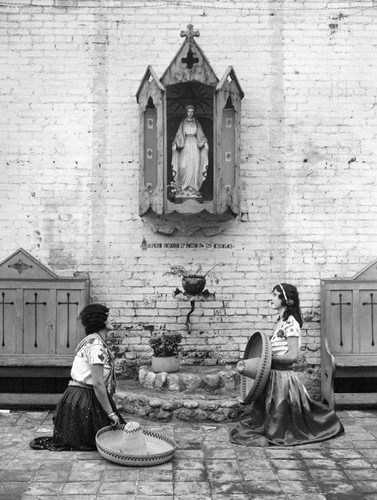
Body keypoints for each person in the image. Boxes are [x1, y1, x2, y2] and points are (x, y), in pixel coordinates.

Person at [229, 283, 344, 447]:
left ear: (286, 300)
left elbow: (292, 356)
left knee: (281, 420)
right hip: (273, 376)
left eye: (275, 295)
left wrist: (267, 360)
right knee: (266, 417)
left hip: (283, 379)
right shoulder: (280, 322)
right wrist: (265, 361)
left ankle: (327, 422)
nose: (271, 298)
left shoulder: (291, 323)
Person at [30, 303, 124, 451]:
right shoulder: (96, 346)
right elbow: (98, 384)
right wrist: (111, 413)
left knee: (117, 436)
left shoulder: (94, 341)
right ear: (100, 321)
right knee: (113, 440)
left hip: (80, 395)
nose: (112, 319)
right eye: (108, 316)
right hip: (84, 399)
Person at [171, 104, 209, 198]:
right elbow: (179, 135)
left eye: (192, 111)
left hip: (195, 145)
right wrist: (175, 143)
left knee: (194, 166)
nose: (190, 113)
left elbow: (201, 134)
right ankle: (183, 187)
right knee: (183, 166)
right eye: (189, 111)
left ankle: (193, 188)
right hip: (185, 144)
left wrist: (205, 142)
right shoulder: (183, 122)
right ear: (186, 112)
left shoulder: (196, 122)